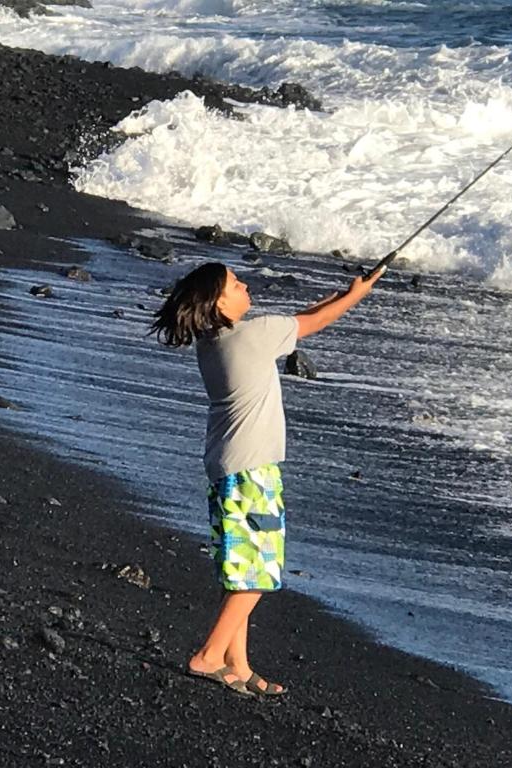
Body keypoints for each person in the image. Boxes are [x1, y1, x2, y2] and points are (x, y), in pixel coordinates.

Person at [150, 261, 381, 696]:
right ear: (220, 301)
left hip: (227, 467)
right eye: (236, 284)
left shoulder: (216, 343)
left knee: (241, 568)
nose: (245, 286)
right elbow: (312, 322)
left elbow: (300, 318)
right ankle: (209, 656)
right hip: (252, 469)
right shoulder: (255, 336)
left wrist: (343, 292)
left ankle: (237, 664)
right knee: (259, 572)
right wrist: (355, 296)